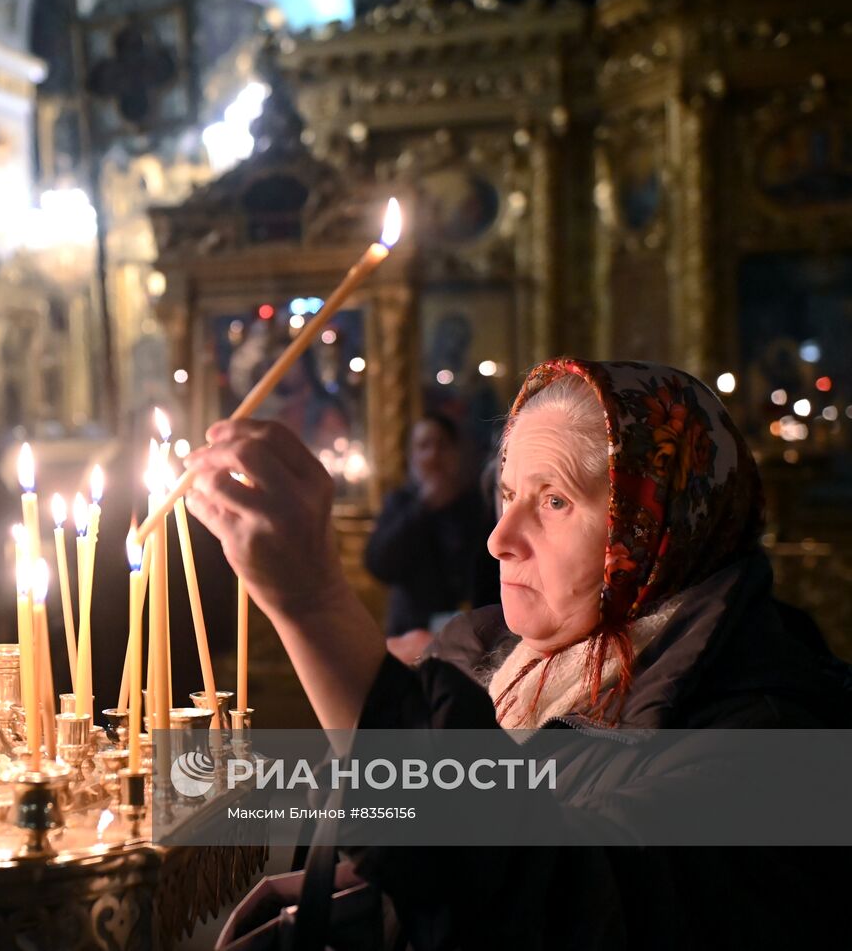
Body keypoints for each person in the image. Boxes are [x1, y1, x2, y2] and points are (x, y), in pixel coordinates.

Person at [186, 358, 852, 949]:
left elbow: (555, 899)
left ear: (657, 525)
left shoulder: (778, 742)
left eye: (554, 500)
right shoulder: (482, 664)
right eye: (507, 495)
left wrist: (314, 602)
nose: (500, 538)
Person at [363, 413, 498, 664]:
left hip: (474, 639)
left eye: (442, 445)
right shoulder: (400, 503)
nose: (433, 455)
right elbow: (379, 564)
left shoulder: (478, 506)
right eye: (424, 446)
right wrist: (423, 507)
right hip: (411, 637)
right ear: (412, 455)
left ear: (456, 453)